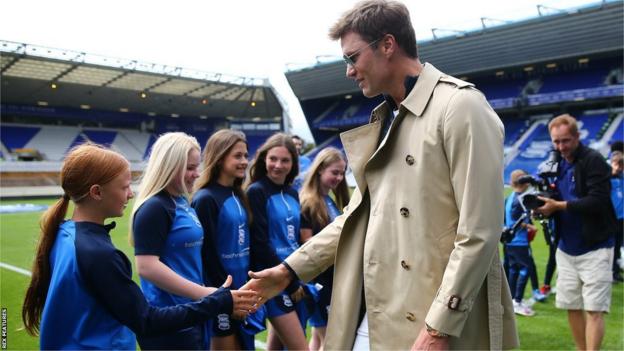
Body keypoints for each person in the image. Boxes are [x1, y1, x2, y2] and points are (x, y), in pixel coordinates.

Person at [243, 1, 519, 349]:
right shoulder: (386, 118)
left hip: (431, 322)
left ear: (388, 45)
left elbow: (479, 231)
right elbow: (356, 217)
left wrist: (438, 327)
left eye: (352, 57)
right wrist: (288, 271)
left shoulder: (461, 107)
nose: (349, 71)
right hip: (373, 314)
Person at [21, 143, 257, 350]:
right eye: (124, 187)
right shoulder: (99, 253)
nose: (131, 194)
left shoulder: (65, 232)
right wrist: (218, 301)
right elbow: (146, 320)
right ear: (96, 192)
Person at [130, 132, 251, 350]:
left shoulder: (181, 202)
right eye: (189, 168)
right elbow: (147, 267)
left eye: (197, 167)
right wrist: (209, 295)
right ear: (168, 165)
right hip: (170, 318)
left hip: (192, 313)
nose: (196, 174)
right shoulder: (155, 207)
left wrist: (207, 300)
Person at [534, 114, 617, 351]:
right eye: (556, 142)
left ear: (577, 137)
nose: (561, 147)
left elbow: (598, 200)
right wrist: (544, 210)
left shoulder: (594, 160)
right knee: (571, 305)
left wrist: (559, 206)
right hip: (566, 247)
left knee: (594, 309)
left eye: (566, 141)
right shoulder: (556, 162)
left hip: (595, 246)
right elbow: (555, 198)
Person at [191, 129, 263, 350]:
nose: (244, 161)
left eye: (245, 155)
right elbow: (207, 256)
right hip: (223, 295)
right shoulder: (206, 199)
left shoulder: (238, 194)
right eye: (237, 156)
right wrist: (227, 296)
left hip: (243, 291)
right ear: (220, 157)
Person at [245, 133, 309, 351]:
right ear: (264, 159)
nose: (278, 165)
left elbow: (294, 239)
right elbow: (260, 244)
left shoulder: (293, 193)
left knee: (277, 346)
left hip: (293, 276)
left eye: (285, 160)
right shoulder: (256, 191)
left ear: (293, 164)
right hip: (274, 280)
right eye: (273, 159)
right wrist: (290, 281)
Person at [299, 147, 350, 351]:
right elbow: (307, 245)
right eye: (334, 172)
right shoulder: (309, 202)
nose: (339, 178)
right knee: (329, 339)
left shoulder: (328, 200)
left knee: (319, 337)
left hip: (329, 279)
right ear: (320, 169)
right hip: (318, 283)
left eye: (342, 173)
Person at [503, 169, 538, 316]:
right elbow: (516, 218)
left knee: (513, 269)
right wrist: (530, 226)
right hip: (519, 241)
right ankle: (517, 301)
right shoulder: (520, 199)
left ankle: (513, 300)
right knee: (524, 269)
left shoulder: (510, 197)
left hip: (510, 241)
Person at [609, 151, 623, 282]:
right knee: (610, 246)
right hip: (611, 218)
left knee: (618, 246)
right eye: (616, 164)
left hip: (621, 218)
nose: (618, 167)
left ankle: (616, 271)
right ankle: (609, 272)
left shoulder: (621, 178)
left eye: (621, 165)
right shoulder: (606, 179)